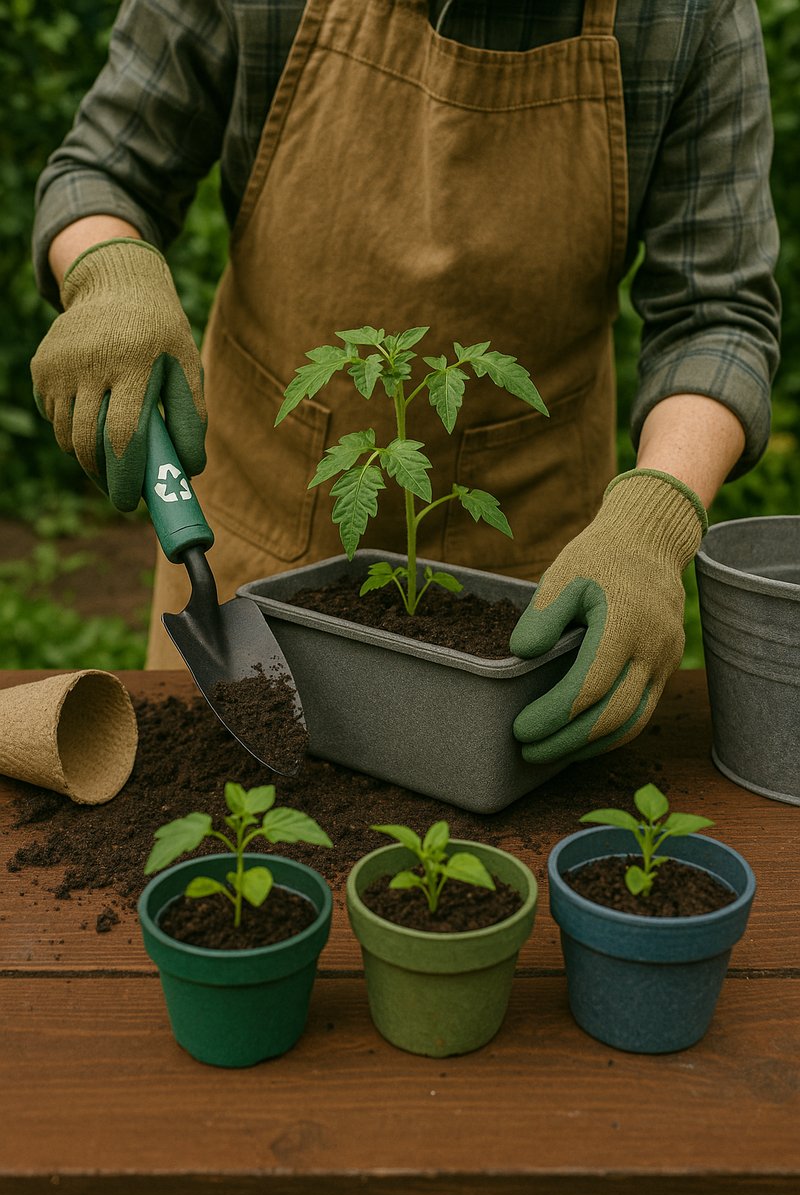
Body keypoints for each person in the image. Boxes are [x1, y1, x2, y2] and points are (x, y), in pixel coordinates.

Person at [30, 0, 781, 766]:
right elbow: (103, 166)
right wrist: (109, 273)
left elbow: (716, 316)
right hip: (255, 564)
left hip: (524, 595)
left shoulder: (690, 16)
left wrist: (654, 522)